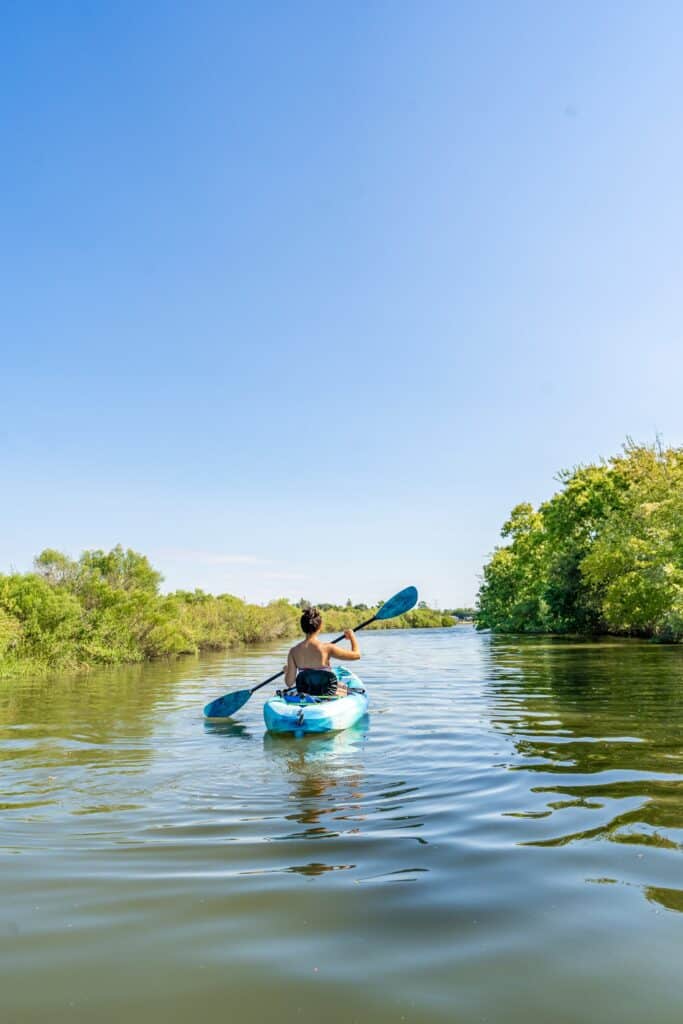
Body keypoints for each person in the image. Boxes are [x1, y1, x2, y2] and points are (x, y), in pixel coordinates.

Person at [284, 606, 361, 697]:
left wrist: (287, 672)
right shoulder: (327, 648)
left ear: (302, 627)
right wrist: (352, 636)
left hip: (306, 693)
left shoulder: (293, 652)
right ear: (320, 626)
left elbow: (289, 683)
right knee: (343, 686)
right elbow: (357, 655)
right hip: (327, 693)